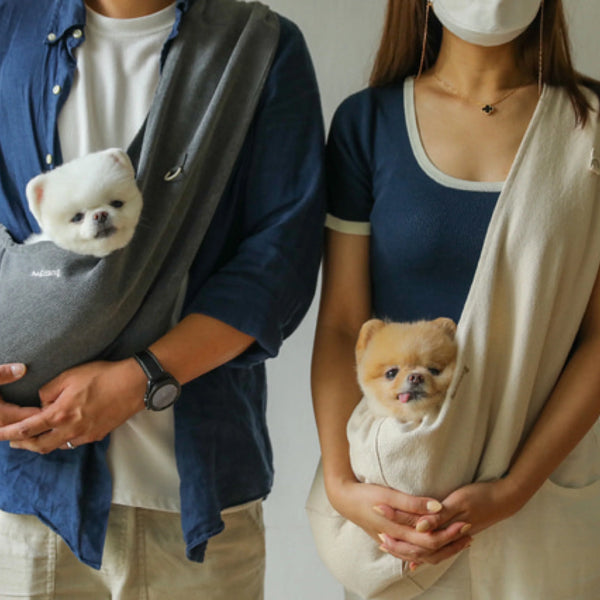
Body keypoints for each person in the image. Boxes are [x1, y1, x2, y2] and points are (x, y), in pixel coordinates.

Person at [0, 0, 325, 598]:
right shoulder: (8, 28)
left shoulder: (259, 47)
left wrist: (139, 380)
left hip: (193, 493)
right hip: (26, 495)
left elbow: (280, 258)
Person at [311, 0, 600, 598]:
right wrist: (342, 485)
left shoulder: (588, 127)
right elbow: (342, 325)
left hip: (546, 493)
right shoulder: (369, 123)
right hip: (397, 499)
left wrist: (514, 489)